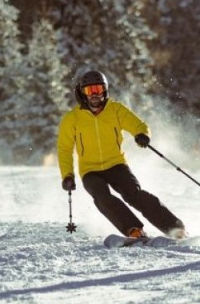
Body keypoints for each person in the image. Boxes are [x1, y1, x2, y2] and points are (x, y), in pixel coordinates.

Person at [57, 68, 186, 239]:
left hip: (116, 165)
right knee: (102, 197)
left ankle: (174, 228)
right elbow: (64, 148)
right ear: (82, 93)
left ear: (105, 90)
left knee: (133, 194)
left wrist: (142, 135)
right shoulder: (72, 118)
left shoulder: (116, 110)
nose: (94, 94)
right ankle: (133, 230)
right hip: (90, 170)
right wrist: (67, 175)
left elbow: (138, 125)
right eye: (89, 90)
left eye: (98, 89)